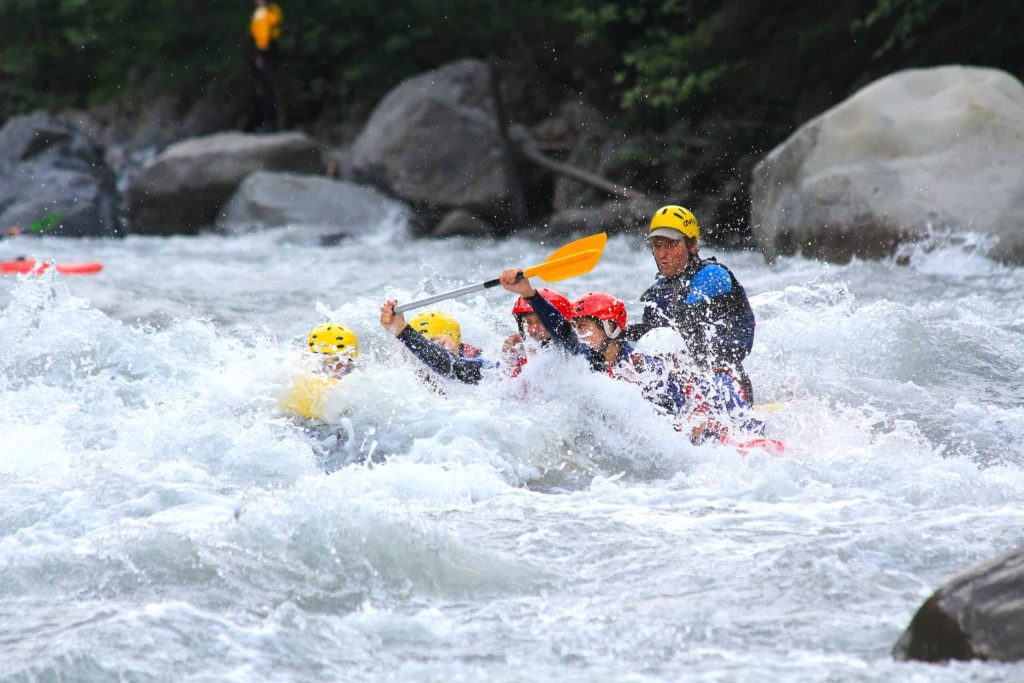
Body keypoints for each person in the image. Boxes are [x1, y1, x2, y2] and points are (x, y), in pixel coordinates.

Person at [498, 269, 760, 444]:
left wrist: (697, 427)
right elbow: (561, 332)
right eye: (577, 328)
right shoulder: (585, 359)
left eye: (585, 327)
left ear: (611, 327)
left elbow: (680, 411)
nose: (579, 335)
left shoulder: (644, 367)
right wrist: (530, 295)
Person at [623, 205, 756, 401]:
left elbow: (685, 326)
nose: (662, 254)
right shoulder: (654, 295)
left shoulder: (713, 276)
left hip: (725, 383)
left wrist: (634, 331)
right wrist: (612, 332)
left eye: (671, 244)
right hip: (680, 387)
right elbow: (653, 342)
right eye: (658, 245)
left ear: (692, 245)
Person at [502, 287, 574, 377]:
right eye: (528, 322)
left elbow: (558, 324)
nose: (533, 329)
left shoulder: (574, 350)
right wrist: (507, 359)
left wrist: (530, 295)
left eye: (540, 321)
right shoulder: (525, 356)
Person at [250, 0, 283, 132]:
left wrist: (261, 56)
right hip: (267, 52)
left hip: (267, 53)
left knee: (267, 88)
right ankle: (267, 121)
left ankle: (270, 123)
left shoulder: (266, 12)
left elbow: (264, 38)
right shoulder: (270, 10)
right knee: (264, 88)